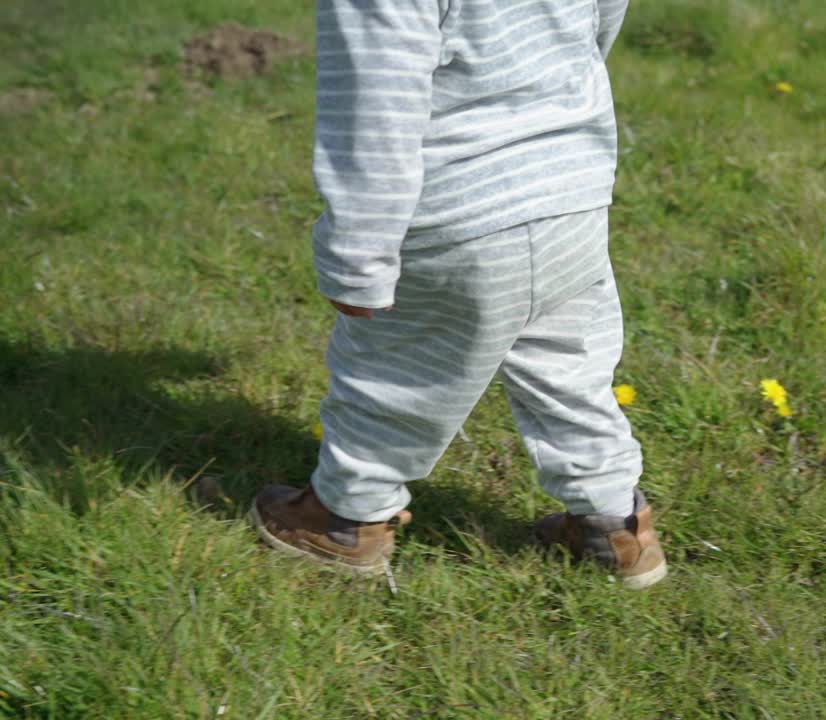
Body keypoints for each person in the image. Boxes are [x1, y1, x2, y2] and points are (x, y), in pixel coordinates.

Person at [249, 0, 666, 590]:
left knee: (393, 373)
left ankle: (347, 519)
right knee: (570, 370)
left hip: (458, 209)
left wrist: (360, 255)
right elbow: (601, 19)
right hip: (569, 191)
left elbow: (376, 103)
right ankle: (617, 529)